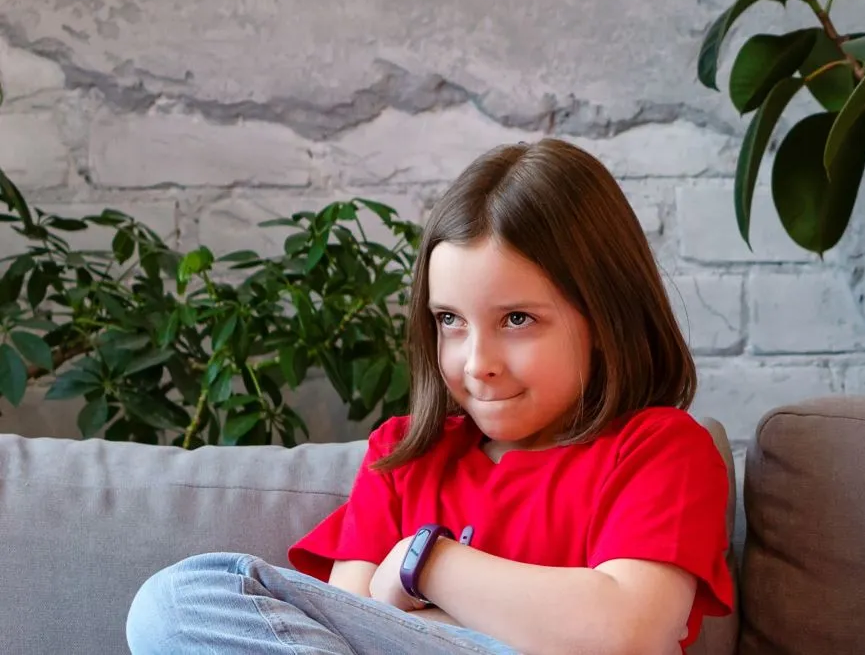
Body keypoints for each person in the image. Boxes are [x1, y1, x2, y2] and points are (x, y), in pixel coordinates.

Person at [127, 139, 732, 654]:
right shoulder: (402, 457)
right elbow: (351, 626)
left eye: (518, 319)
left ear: (605, 320)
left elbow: (629, 634)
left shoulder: (662, 449)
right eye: (450, 320)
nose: (478, 363)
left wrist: (426, 563)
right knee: (176, 601)